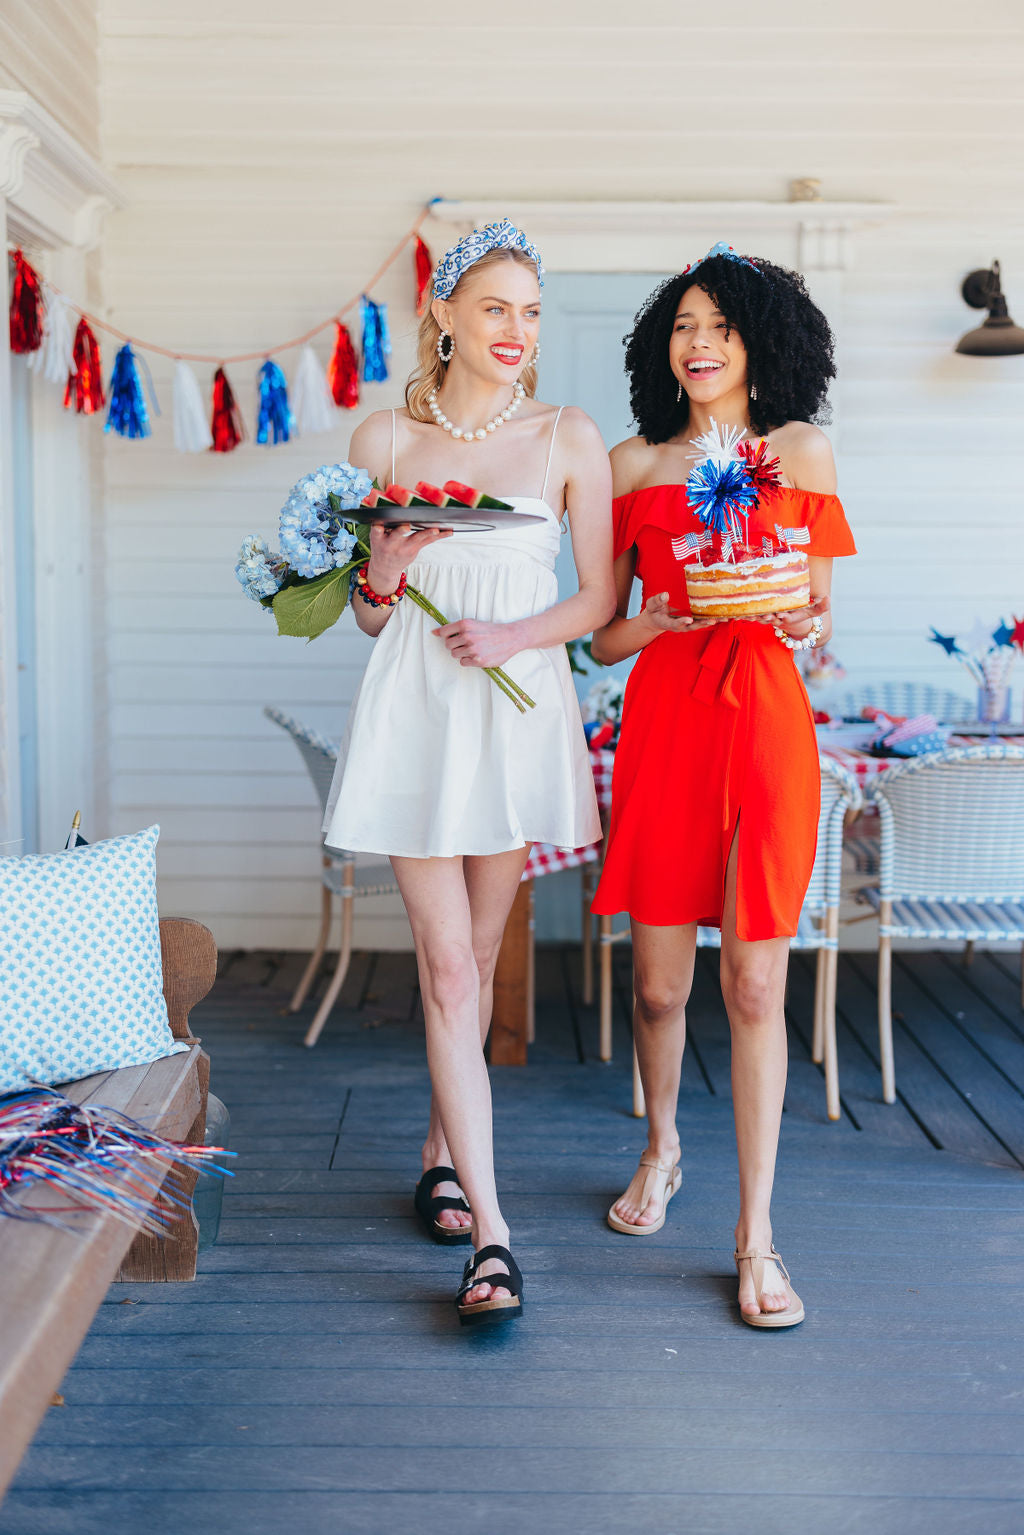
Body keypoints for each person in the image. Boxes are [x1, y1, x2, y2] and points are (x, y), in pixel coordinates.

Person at [323, 221, 614, 1327]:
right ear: (442, 314)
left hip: (515, 709)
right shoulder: (381, 438)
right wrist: (385, 574)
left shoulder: (565, 436)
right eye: (495, 308)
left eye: (530, 313)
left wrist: (515, 637)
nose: (516, 332)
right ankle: (493, 1237)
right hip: (413, 715)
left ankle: (441, 1153)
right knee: (448, 972)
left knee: (481, 958)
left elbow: (595, 597)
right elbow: (362, 611)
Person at [591, 244, 855, 1328]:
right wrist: (649, 621)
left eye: (720, 327)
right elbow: (601, 637)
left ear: (760, 343)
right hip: (664, 719)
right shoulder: (630, 463)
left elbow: (819, 615)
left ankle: (756, 1234)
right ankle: (662, 1144)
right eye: (683, 326)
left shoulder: (802, 451)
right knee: (657, 986)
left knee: (752, 985)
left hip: (765, 725)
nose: (697, 345)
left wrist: (803, 619)